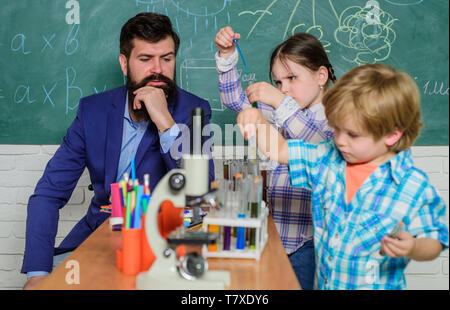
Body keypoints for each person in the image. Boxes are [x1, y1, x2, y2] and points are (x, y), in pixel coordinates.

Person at [22, 12, 214, 289]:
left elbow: (201, 193)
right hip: (98, 240)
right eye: (146, 59)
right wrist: (37, 273)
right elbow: (49, 194)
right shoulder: (93, 111)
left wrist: (165, 124)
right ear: (125, 63)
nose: (157, 69)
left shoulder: (195, 111)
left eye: (167, 59)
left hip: (162, 247)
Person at [237, 63, 449, 289]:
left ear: (392, 134)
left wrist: (414, 247)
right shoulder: (327, 159)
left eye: (353, 134)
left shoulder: (411, 185)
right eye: (337, 128)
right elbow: (279, 150)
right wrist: (257, 120)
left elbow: (435, 239)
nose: (339, 140)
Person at [214, 26, 336, 289]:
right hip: (273, 235)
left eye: (292, 78)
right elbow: (236, 101)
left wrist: (280, 101)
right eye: (279, 82)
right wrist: (227, 56)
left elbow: (316, 144)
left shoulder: (337, 117)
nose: (285, 88)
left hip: (308, 244)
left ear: (321, 76)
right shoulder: (281, 110)